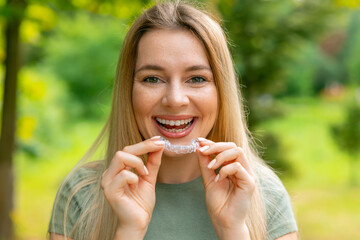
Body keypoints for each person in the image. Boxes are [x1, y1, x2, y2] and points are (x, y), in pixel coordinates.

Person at [48, 1, 298, 239]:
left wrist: (233, 230)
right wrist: (129, 231)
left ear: (221, 91)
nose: (175, 100)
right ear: (128, 90)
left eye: (197, 79)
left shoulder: (264, 196)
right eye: (152, 79)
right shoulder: (81, 195)